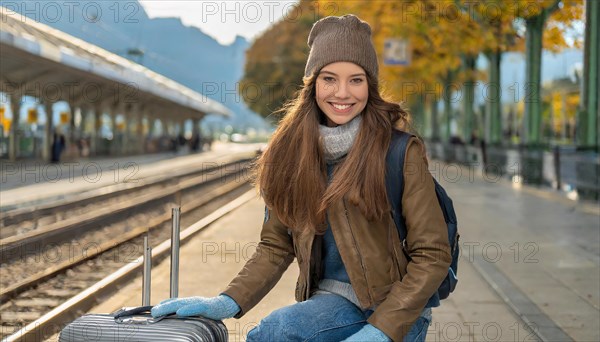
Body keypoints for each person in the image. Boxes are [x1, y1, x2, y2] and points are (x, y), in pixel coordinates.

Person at [151, 14, 451, 342]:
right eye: (329, 79)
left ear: (370, 85)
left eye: (356, 80)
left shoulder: (400, 152)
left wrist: (381, 331)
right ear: (313, 84)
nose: (342, 92)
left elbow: (432, 254)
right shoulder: (292, 153)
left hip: (400, 307)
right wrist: (227, 301)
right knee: (270, 334)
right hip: (334, 302)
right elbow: (276, 244)